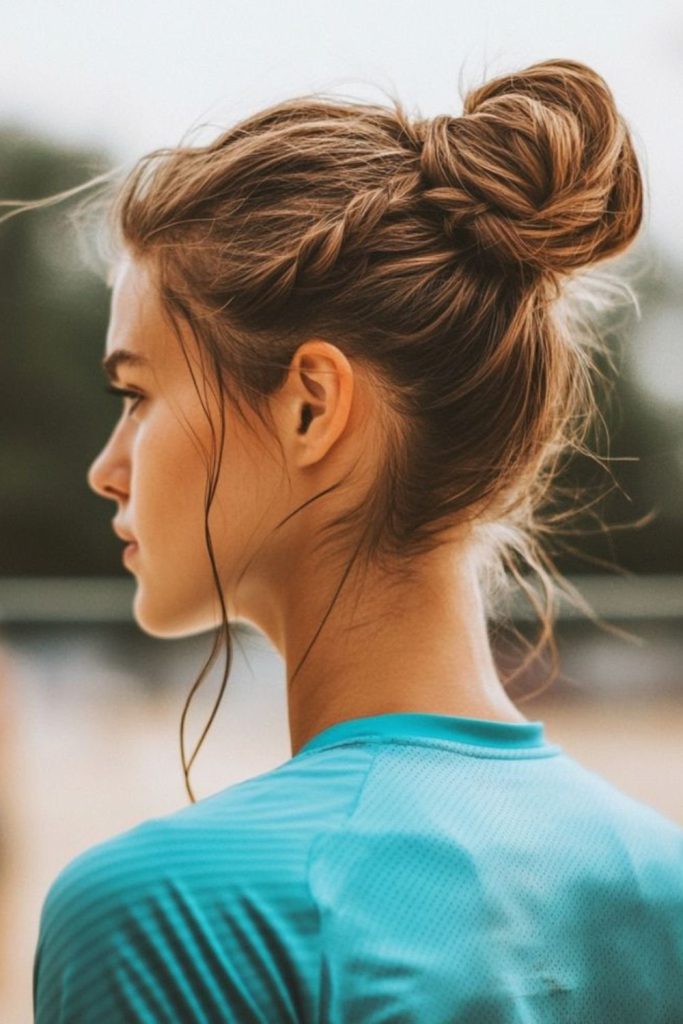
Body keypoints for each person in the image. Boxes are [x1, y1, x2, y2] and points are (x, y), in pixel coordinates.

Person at [30, 57, 682, 1022]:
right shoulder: (657, 881)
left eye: (137, 394)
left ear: (310, 405)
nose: (106, 466)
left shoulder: (169, 920)